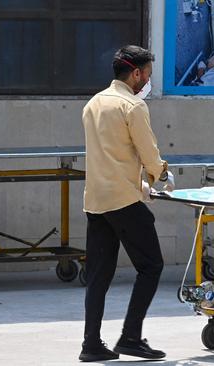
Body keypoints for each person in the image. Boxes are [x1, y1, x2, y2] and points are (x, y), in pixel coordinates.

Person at [79, 45, 175, 362]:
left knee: (98, 276)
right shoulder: (132, 106)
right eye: (147, 74)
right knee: (151, 266)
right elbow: (148, 152)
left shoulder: (93, 104)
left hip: (96, 201)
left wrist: (141, 182)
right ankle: (131, 337)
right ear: (135, 73)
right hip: (123, 200)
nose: (147, 80)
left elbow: (110, 154)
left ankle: (91, 344)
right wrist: (161, 175)